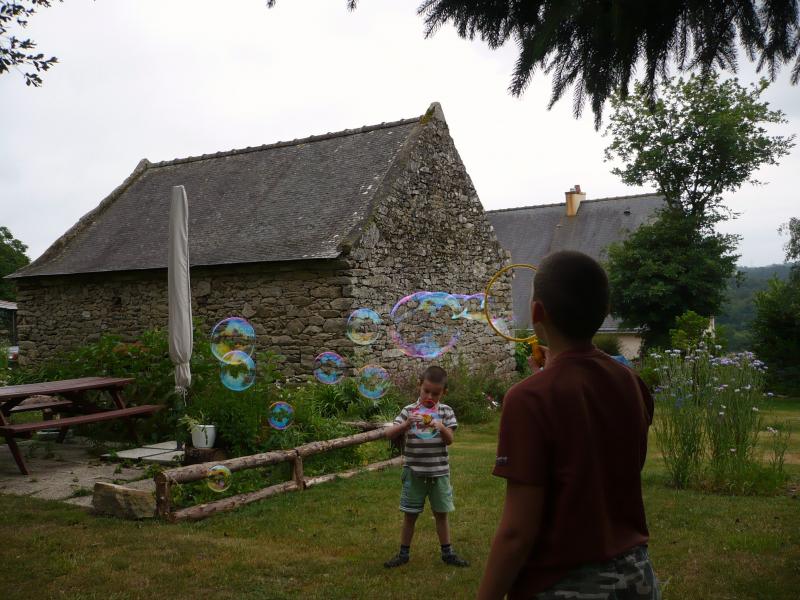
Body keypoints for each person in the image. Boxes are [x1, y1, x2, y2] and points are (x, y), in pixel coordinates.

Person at [477, 250, 660, 600]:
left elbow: (517, 533)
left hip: (566, 586)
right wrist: (552, 376)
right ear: (605, 312)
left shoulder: (528, 398)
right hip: (638, 578)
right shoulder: (631, 381)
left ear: (536, 312)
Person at [383, 365, 470, 568]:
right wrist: (406, 425)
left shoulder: (446, 411)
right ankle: (403, 554)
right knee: (410, 515)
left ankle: (447, 553)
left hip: (439, 473)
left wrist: (441, 427)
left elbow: (449, 440)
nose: (430, 396)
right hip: (414, 472)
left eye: (435, 393)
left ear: (443, 392)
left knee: (441, 514)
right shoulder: (409, 411)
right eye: (426, 391)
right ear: (419, 386)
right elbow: (389, 434)